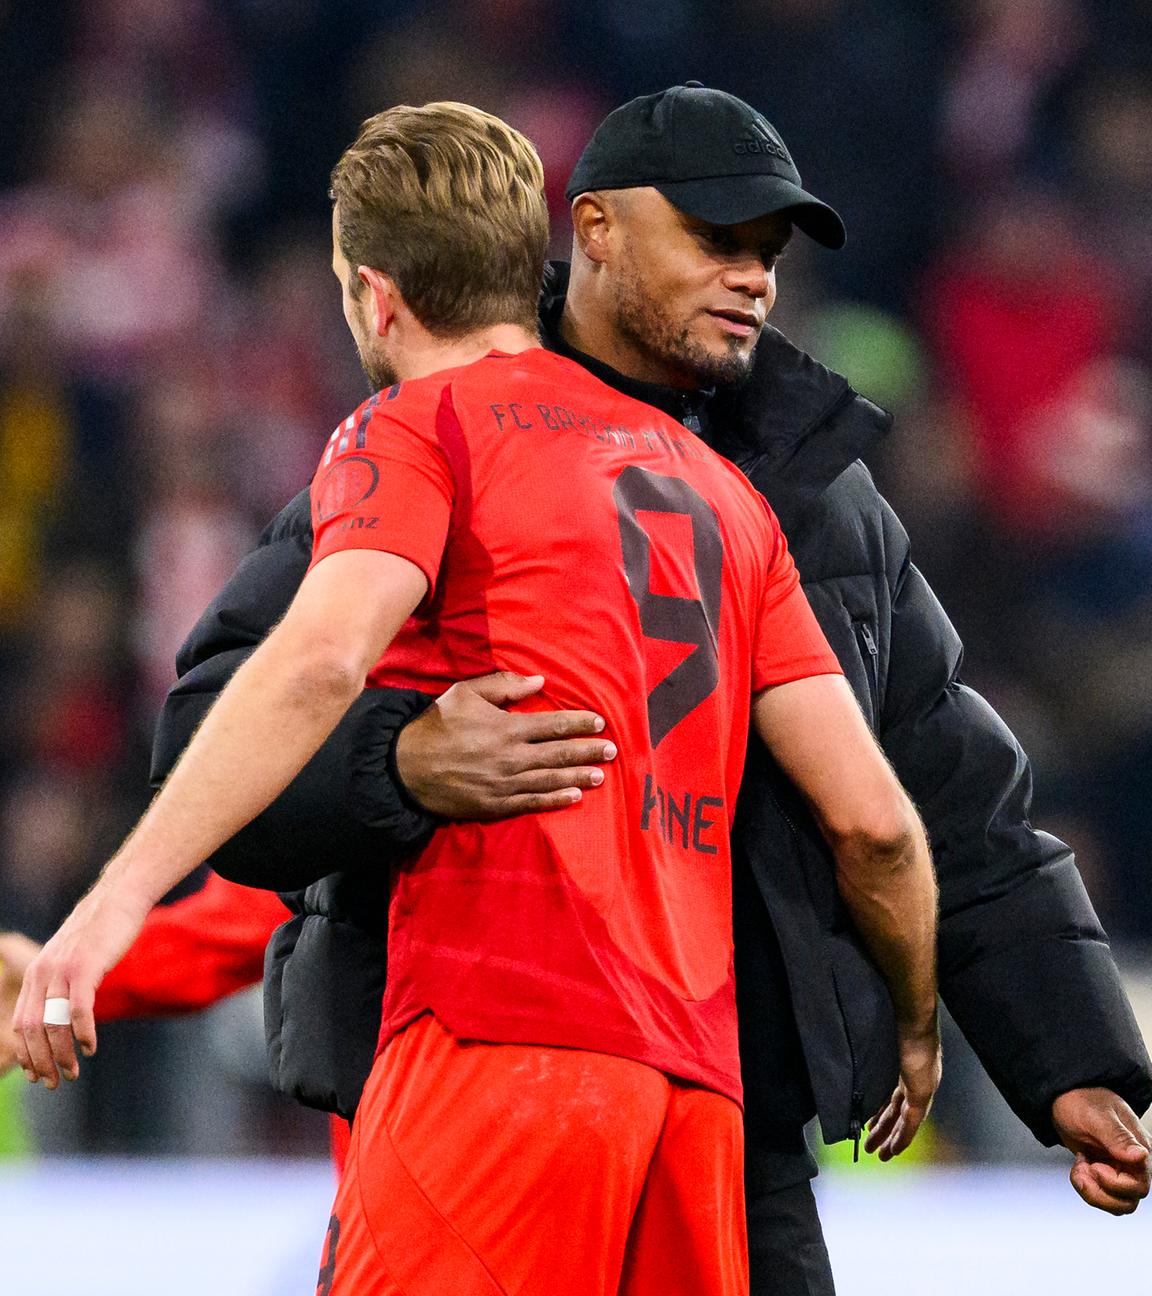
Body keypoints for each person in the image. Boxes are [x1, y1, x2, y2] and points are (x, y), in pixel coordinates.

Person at [136, 84, 1149, 1294]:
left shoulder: (817, 498)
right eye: (718, 242)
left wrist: (1072, 1053)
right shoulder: (438, 431)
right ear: (597, 229)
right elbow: (213, 729)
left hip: (727, 1122)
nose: (754, 278)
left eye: (767, 253)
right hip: (477, 1083)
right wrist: (396, 759)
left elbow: (946, 789)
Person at [13, 102, 940, 1296]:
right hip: (697, 1100)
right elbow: (876, 823)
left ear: (373, 295)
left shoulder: (416, 429)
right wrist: (915, 1022)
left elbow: (313, 662)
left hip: (504, 1047)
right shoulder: (723, 495)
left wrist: (107, 913)